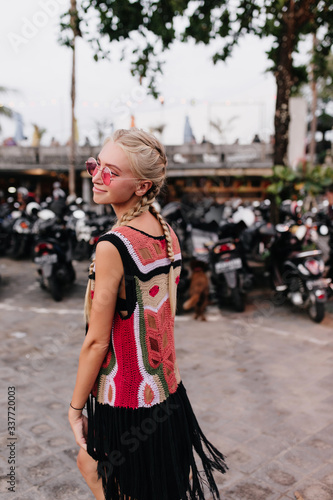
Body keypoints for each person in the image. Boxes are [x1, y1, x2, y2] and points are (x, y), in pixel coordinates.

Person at [68, 128, 227, 500]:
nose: (95, 175)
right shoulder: (165, 231)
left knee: (101, 472)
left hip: (126, 398)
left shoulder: (114, 245)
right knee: (157, 483)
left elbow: (95, 341)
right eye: (95, 165)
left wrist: (76, 408)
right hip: (166, 390)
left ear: (141, 187)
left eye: (109, 171)